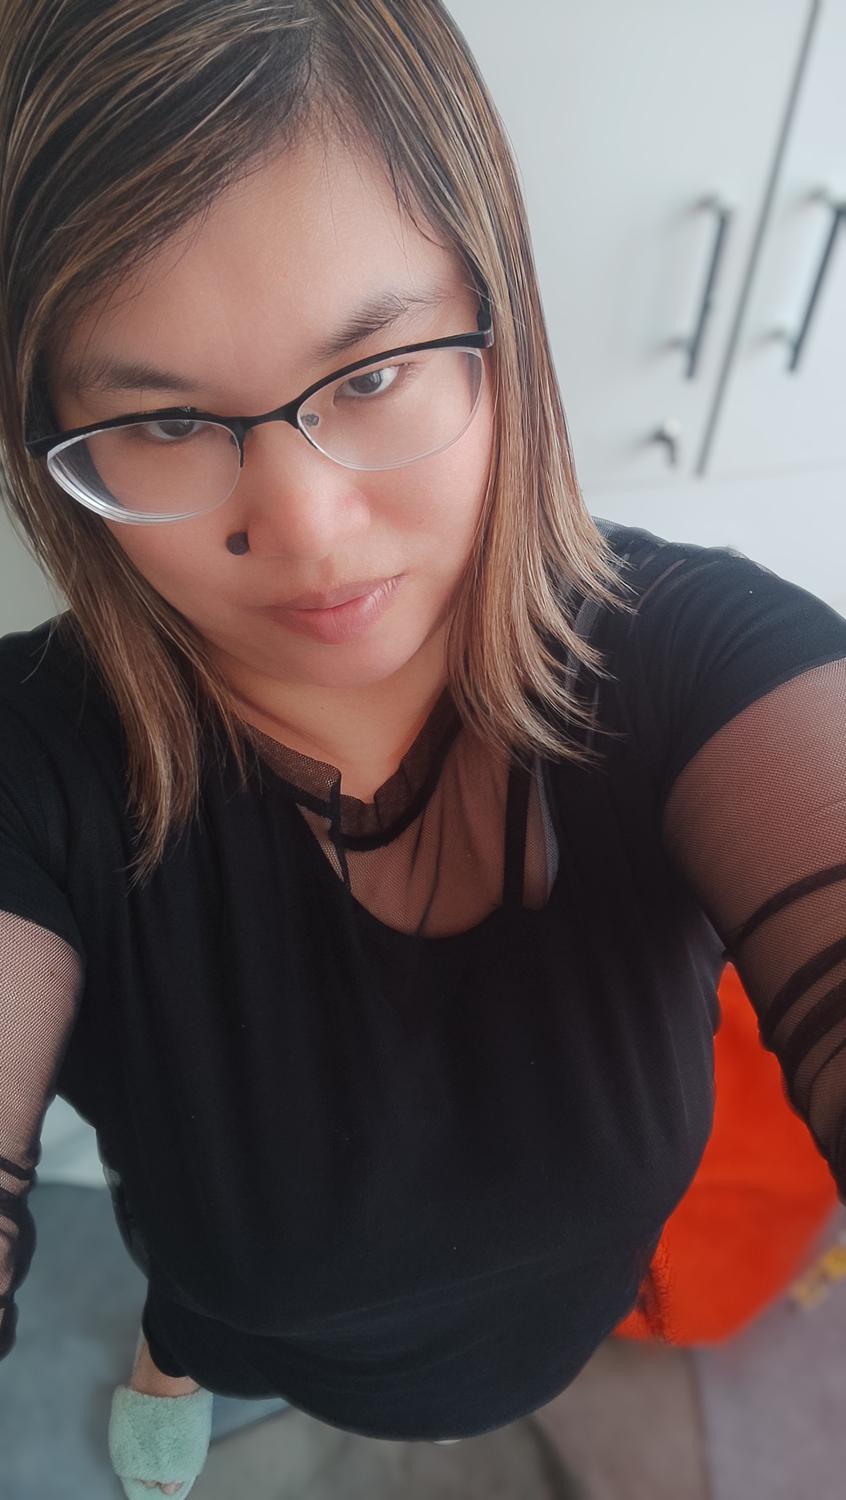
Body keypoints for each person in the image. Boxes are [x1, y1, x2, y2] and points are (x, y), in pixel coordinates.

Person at [0, 1, 844, 1496]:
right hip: (244, 1312)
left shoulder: (701, 660)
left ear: (492, 323)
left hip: (548, 1325)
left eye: (373, 373)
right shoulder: (38, 761)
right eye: (167, 422)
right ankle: (169, 1361)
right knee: (203, 1303)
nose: (307, 527)